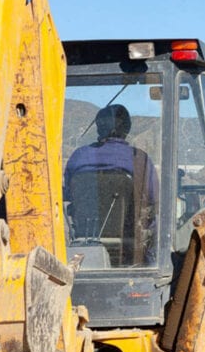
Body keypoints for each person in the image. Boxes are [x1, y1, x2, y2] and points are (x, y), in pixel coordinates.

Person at [64, 104, 159, 264]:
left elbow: (67, 196)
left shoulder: (78, 157)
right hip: (129, 243)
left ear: (98, 128)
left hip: (83, 239)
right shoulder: (139, 159)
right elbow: (154, 202)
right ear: (127, 129)